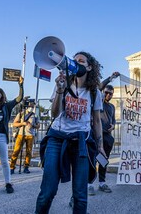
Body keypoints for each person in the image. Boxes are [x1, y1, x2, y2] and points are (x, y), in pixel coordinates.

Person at [35, 51, 105, 214]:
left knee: (80, 195)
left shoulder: (95, 92)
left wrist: (100, 146)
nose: (76, 63)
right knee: (48, 192)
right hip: (57, 139)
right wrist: (60, 90)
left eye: (81, 61)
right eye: (74, 60)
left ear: (88, 67)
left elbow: (96, 121)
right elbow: (55, 113)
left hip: (81, 143)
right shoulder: (63, 84)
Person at [88, 72, 119, 195]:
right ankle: (89, 184)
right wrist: (110, 78)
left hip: (107, 137)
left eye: (110, 93)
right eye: (106, 92)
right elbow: (99, 87)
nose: (107, 95)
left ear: (112, 95)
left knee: (104, 160)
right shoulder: (98, 101)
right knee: (92, 160)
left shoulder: (112, 106)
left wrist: (113, 126)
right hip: (96, 135)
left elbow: (113, 120)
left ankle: (102, 182)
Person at [10, 100, 40, 174]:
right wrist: (22, 123)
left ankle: (26, 167)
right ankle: (12, 167)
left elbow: (38, 125)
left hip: (30, 135)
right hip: (21, 134)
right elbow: (14, 124)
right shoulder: (21, 114)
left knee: (29, 152)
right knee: (16, 151)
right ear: (27, 106)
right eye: (30, 106)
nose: (31, 108)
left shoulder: (35, 115)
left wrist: (32, 125)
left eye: (32, 106)